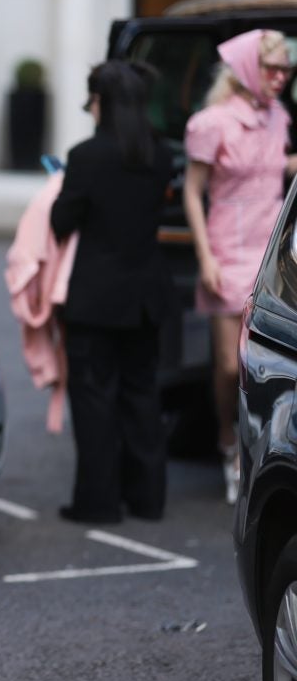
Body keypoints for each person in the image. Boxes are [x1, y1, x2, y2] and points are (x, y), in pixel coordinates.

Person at [50, 61, 173, 524]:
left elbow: (63, 221)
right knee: (142, 396)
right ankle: (147, 499)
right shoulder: (160, 157)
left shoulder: (86, 156)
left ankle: (98, 502)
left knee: (94, 400)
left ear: (104, 102)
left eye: (93, 99)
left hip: (97, 298)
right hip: (146, 295)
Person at [183, 29, 297, 505]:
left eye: (285, 71)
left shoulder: (278, 117)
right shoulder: (211, 123)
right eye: (270, 69)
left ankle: (252, 454)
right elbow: (192, 190)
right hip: (227, 247)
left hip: (271, 252)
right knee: (231, 366)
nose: (279, 79)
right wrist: (205, 255)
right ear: (248, 69)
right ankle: (228, 443)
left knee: (271, 364)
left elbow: (276, 169)